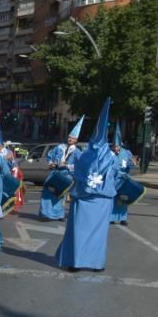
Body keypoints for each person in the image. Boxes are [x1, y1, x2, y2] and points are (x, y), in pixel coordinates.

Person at [55, 99, 119, 272]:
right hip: (102, 201)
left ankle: (75, 261)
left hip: (83, 199)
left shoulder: (84, 156)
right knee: (98, 234)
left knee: (79, 231)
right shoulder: (111, 158)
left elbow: (77, 174)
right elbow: (116, 176)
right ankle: (96, 263)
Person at [40, 117, 83, 221]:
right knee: (47, 191)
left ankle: (59, 215)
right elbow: (50, 156)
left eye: (72, 138)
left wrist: (67, 165)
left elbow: (80, 165)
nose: (70, 139)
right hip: (55, 173)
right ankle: (45, 214)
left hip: (67, 175)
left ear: (76, 140)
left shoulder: (77, 152)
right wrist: (52, 163)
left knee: (60, 195)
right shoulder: (60, 147)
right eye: (69, 137)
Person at [109, 125, 135, 225]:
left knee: (124, 198)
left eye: (117, 146)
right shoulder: (109, 153)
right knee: (114, 199)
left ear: (120, 145)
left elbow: (131, 165)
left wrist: (132, 163)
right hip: (113, 179)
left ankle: (123, 218)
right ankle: (112, 217)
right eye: (114, 146)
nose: (115, 148)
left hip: (124, 179)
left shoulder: (127, 153)